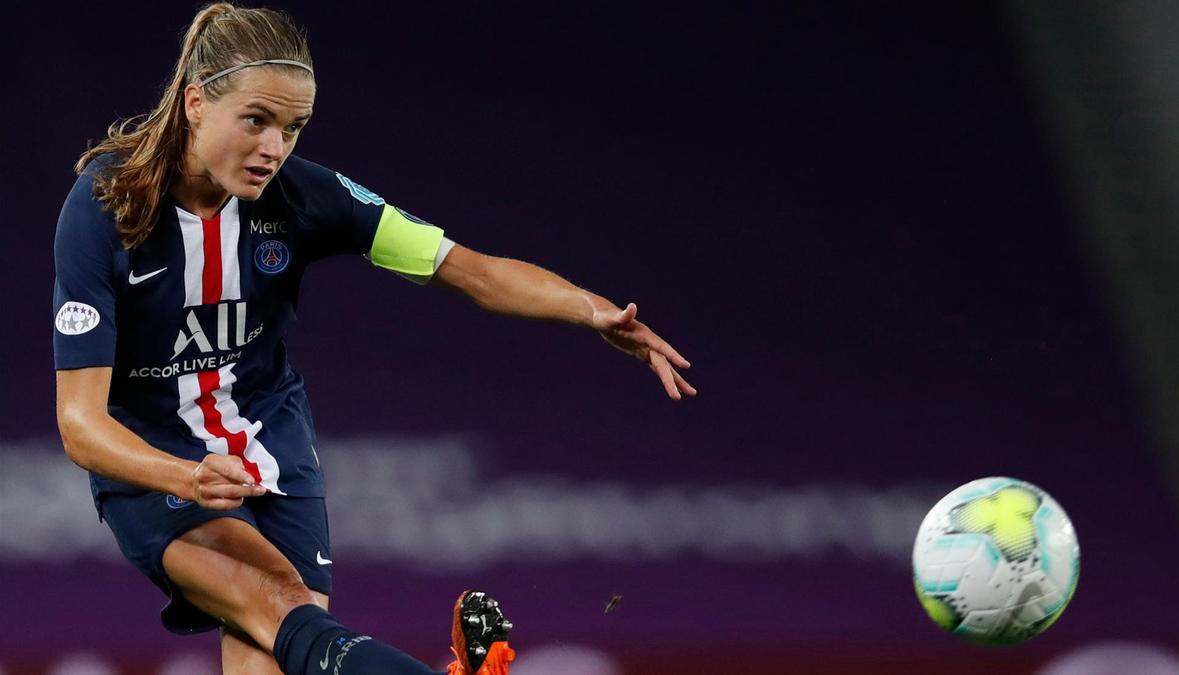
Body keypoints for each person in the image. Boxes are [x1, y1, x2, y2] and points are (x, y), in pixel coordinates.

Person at [52, 4, 696, 675]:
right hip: (153, 455)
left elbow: (469, 270)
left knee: (282, 641)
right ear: (194, 104)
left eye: (293, 128)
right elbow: (79, 423)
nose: (275, 147)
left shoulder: (306, 196)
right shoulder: (106, 209)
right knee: (272, 598)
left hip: (268, 433)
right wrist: (187, 473)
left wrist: (592, 311)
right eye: (257, 120)